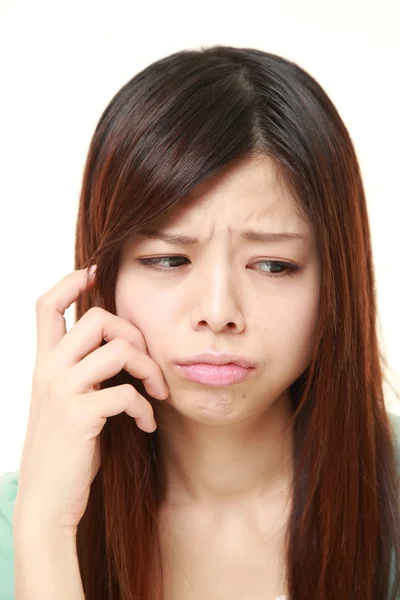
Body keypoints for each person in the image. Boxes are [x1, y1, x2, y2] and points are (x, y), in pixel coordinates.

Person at [0, 44, 399, 600]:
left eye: (274, 264)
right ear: (103, 275)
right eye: (168, 259)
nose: (218, 312)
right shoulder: (18, 524)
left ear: (336, 280)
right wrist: (42, 530)